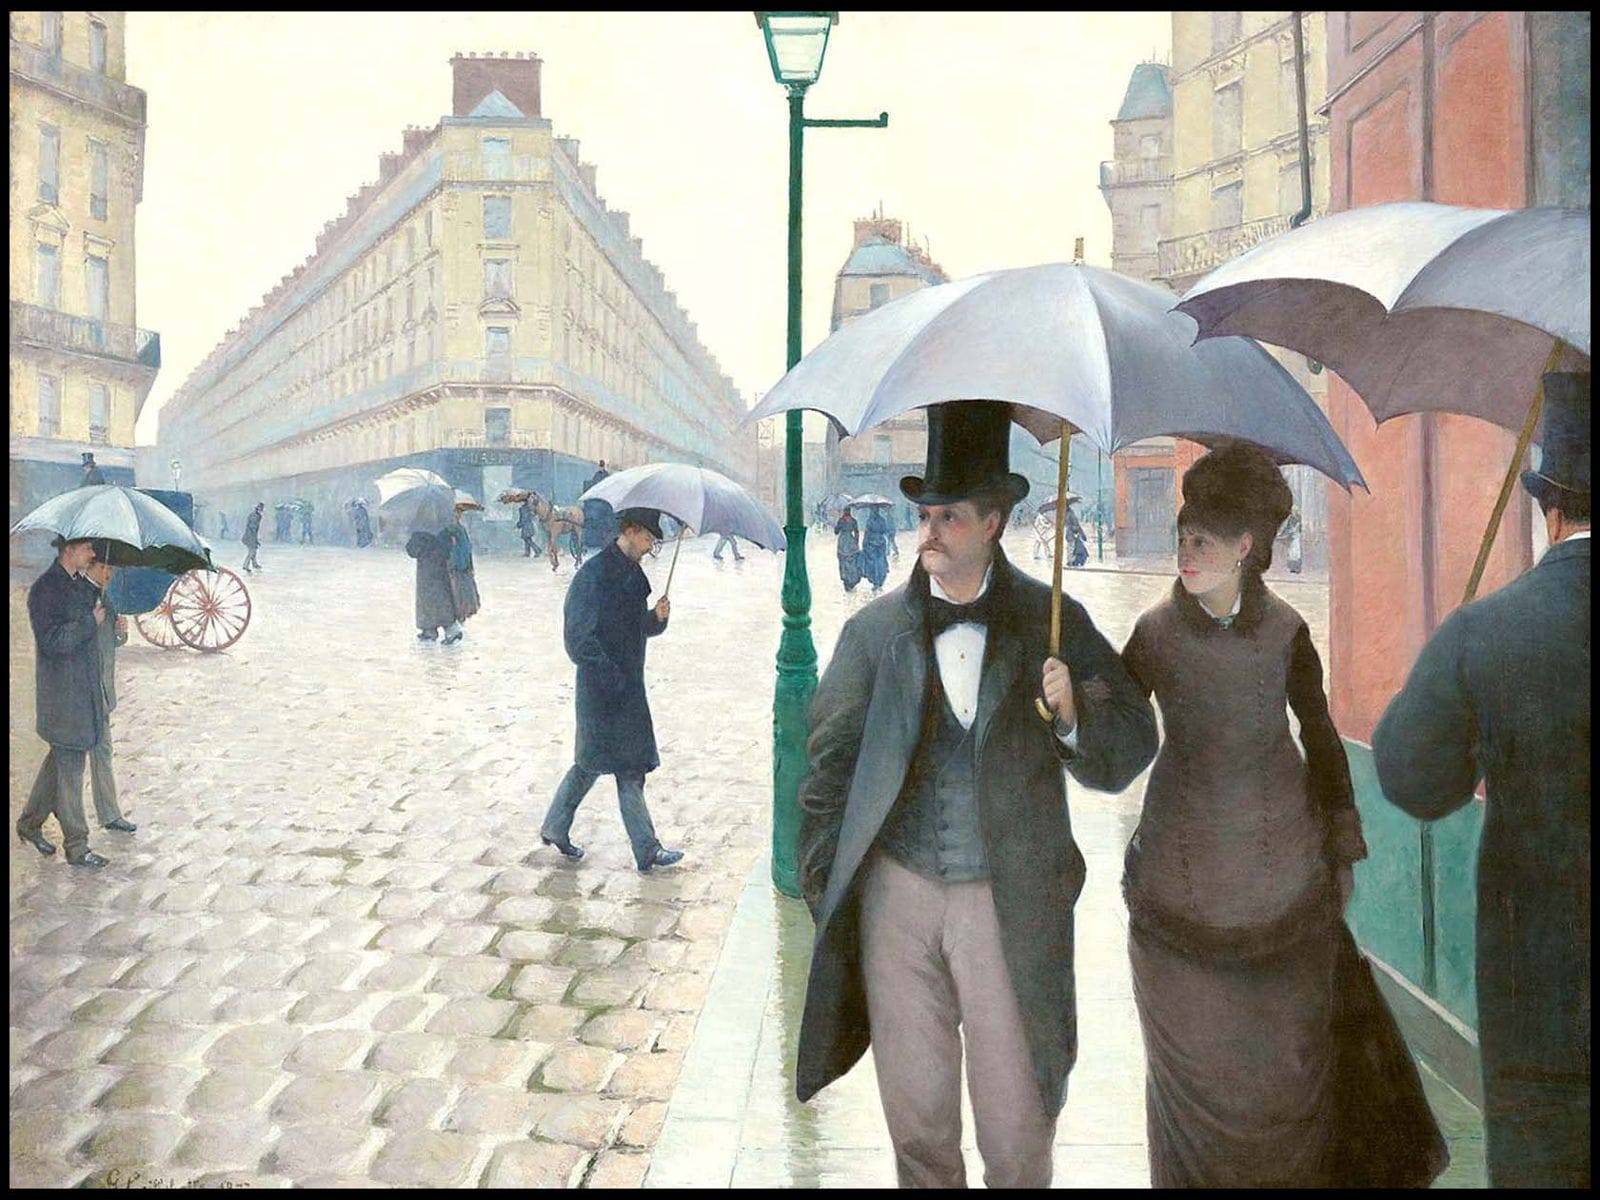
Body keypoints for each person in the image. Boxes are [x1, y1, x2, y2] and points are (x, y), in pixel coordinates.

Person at [796, 401, 1158, 1188]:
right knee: (919, 1127)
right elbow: (822, 776)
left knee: (1018, 1133)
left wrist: (1073, 715)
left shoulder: (1051, 621)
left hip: (1010, 901)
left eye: (950, 516)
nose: (929, 530)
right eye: (925, 513)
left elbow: (1133, 744)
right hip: (897, 899)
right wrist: (833, 894)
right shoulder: (875, 634)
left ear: (994, 521)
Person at [1118, 442, 1444, 1188]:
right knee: (1193, 1079)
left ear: (1246, 547)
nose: (1186, 550)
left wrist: (1342, 849)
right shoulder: (1152, 635)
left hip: (1288, 891)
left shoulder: (1289, 633)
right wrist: (1071, 707)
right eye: (1181, 536)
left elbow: (1323, 741)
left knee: (1288, 1081)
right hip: (1177, 891)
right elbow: (1114, 738)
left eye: (1203, 538)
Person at [1372, 371, 1590, 1190]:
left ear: (1550, 508)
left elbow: (1411, 779)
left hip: (1536, 1003)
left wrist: (1446, 669)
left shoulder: (1488, 628)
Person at [540, 507, 684, 872]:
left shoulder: (633, 575)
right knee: (591, 765)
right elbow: (577, 640)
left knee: (628, 768)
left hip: (628, 691)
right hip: (602, 691)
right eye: (649, 537)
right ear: (631, 531)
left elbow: (636, 629)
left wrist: (656, 619)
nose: (651, 546)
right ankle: (561, 827)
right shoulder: (594, 575)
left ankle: (643, 849)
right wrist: (610, 676)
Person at [17, 537, 112, 869]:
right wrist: (91, 622)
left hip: (80, 694)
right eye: (88, 548)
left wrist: (102, 608)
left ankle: (29, 825)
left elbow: (88, 624)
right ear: (68, 550)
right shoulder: (45, 590)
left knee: (59, 763)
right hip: (62, 697)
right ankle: (77, 845)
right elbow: (53, 641)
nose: (92, 554)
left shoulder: (77, 585)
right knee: (70, 772)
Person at [81, 548, 136, 834]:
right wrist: (91, 622)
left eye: (111, 571)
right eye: (103, 568)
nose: (108, 575)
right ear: (89, 567)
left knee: (100, 751)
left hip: (101, 690)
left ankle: (109, 814)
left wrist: (121, 631)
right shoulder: (78, 597)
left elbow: (112, 641)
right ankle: (35, 816)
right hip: (81, 689)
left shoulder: (107, 597)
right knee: (67, 759)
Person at [406, 523, 457, 643]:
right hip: (441, 571)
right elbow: (448, 550)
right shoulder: (445, 531)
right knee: (443, 598)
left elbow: (412, 551)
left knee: (426, 601)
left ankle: (430, 630)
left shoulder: (420, 533)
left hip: (426, 574)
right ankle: (449, 628)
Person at [440, 504, 481, 645]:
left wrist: (469, 564)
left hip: (463, 567)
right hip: (455, 567)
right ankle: (455, 624)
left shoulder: (459, 528)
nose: (458, 515)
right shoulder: (450, 529)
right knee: (457, 595)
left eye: (459, 513)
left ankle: (459, 621)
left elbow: (466, 548)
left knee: (463, 594)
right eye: (456, 513)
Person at [860, 506, 891, 592]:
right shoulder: (882, 520)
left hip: (871, 543)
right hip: (881, 542)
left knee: (873, 563)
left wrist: (864, 543)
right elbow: (886, 530)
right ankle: (880, 580)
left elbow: (867, 533)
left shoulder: (869, 521)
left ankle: (875, 581)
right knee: (881, 561)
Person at [834, 507, 863, 593]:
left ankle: (845, 579)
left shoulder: (841, 520)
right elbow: (856, 532)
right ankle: (852, 579)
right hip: (851, 541)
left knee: (843, 561)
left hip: (843, 542)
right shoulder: (854, 521)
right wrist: (856, 542)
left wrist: (837, 526)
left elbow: (836, 532)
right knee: (852, 561)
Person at [241, 502, 265, 573]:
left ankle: (254, 564)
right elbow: (252, 528)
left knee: (254, 551)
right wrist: (255, 539)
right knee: (251, 551)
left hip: (251, 536)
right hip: (250, 536)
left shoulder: (256, 515)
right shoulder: (255, 516)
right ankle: (245, 565)